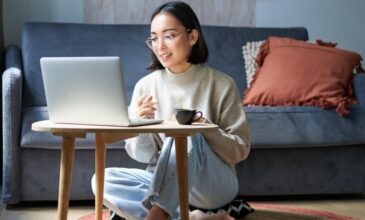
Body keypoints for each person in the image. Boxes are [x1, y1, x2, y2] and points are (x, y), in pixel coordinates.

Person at [91, 1, 251, 220]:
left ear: (192, 37)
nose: (160, 46)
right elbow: (143, 156)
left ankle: (158, 215)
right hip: (161, 180)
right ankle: (191, 217)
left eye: (169, 36)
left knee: (186, 134)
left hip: (211, 186)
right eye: (154, 38)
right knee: (101, 180)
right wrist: (137, 123)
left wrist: (206, 130)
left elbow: (240, 150)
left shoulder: (222, 84)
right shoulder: (145, 86)